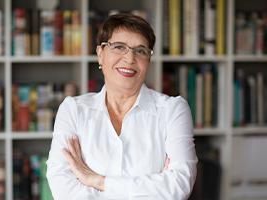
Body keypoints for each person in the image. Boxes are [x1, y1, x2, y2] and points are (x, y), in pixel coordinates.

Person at [46, 13, 198, 200]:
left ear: (148, 61)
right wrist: (154, 187)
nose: (130, 58)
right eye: (119, 47)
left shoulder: (173, 110)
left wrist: (97, 181)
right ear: (100, 54)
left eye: (141, 50)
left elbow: (179, 184)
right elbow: (63, 188)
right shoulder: (73, 110)